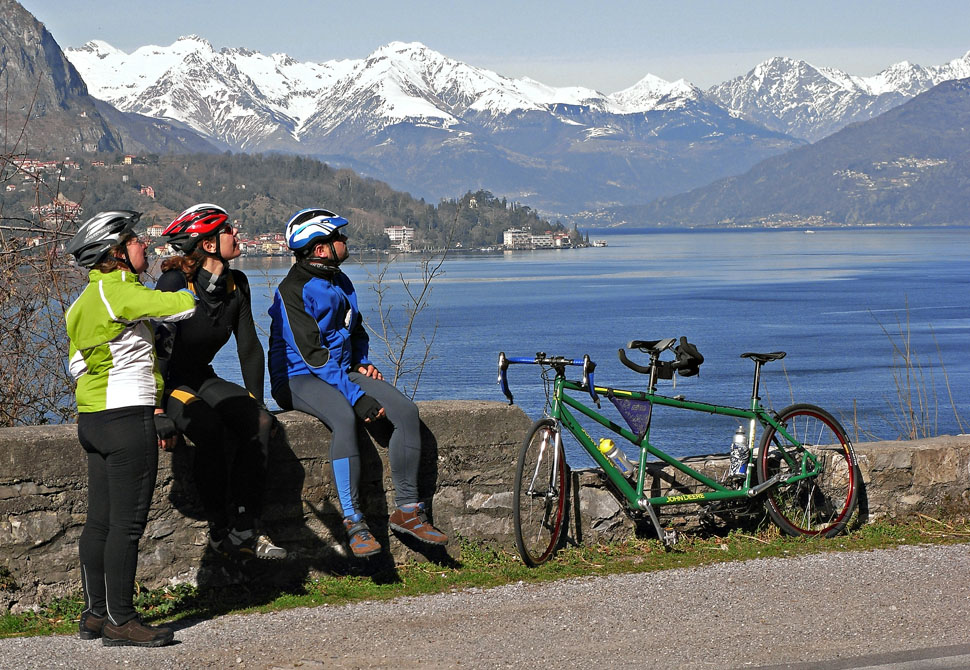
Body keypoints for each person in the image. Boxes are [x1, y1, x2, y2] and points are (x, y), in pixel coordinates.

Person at [268, 208, 447, 558]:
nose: (345, 241)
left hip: (339, 370)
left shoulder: (339, 280)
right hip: (297, 377)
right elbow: (313, 355)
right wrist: (356, 397)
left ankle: (408, 510)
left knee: (406, 412)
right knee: (345, 417)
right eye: (338, 237)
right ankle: (354, 523)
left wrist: (362, 362)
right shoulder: (292, 289)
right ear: (320, 248)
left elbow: (355, 328)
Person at [65, 210, 196, 647]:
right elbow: (183, 305)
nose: (146, 245)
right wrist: (188, 271)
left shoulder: (81, 303)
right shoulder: (120, 292)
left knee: (99, 521)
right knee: (127, 525)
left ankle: (94, 614)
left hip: (93, 419)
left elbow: (76, 364)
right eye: (135, 240)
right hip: (126, 418)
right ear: (116, 254)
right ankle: (122, 620)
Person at [155, 203, 286, 561]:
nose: (237, 234)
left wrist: (258, 403)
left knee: (259, 421)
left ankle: (245, 529)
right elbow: (158, 350)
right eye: (229, 230)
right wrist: (155, 409)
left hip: (202, 376)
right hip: (170, 383)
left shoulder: (236, 284)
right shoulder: (175, 283)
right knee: (209, 429)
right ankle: (218, 530)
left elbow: (249, 347)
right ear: (209, 244)